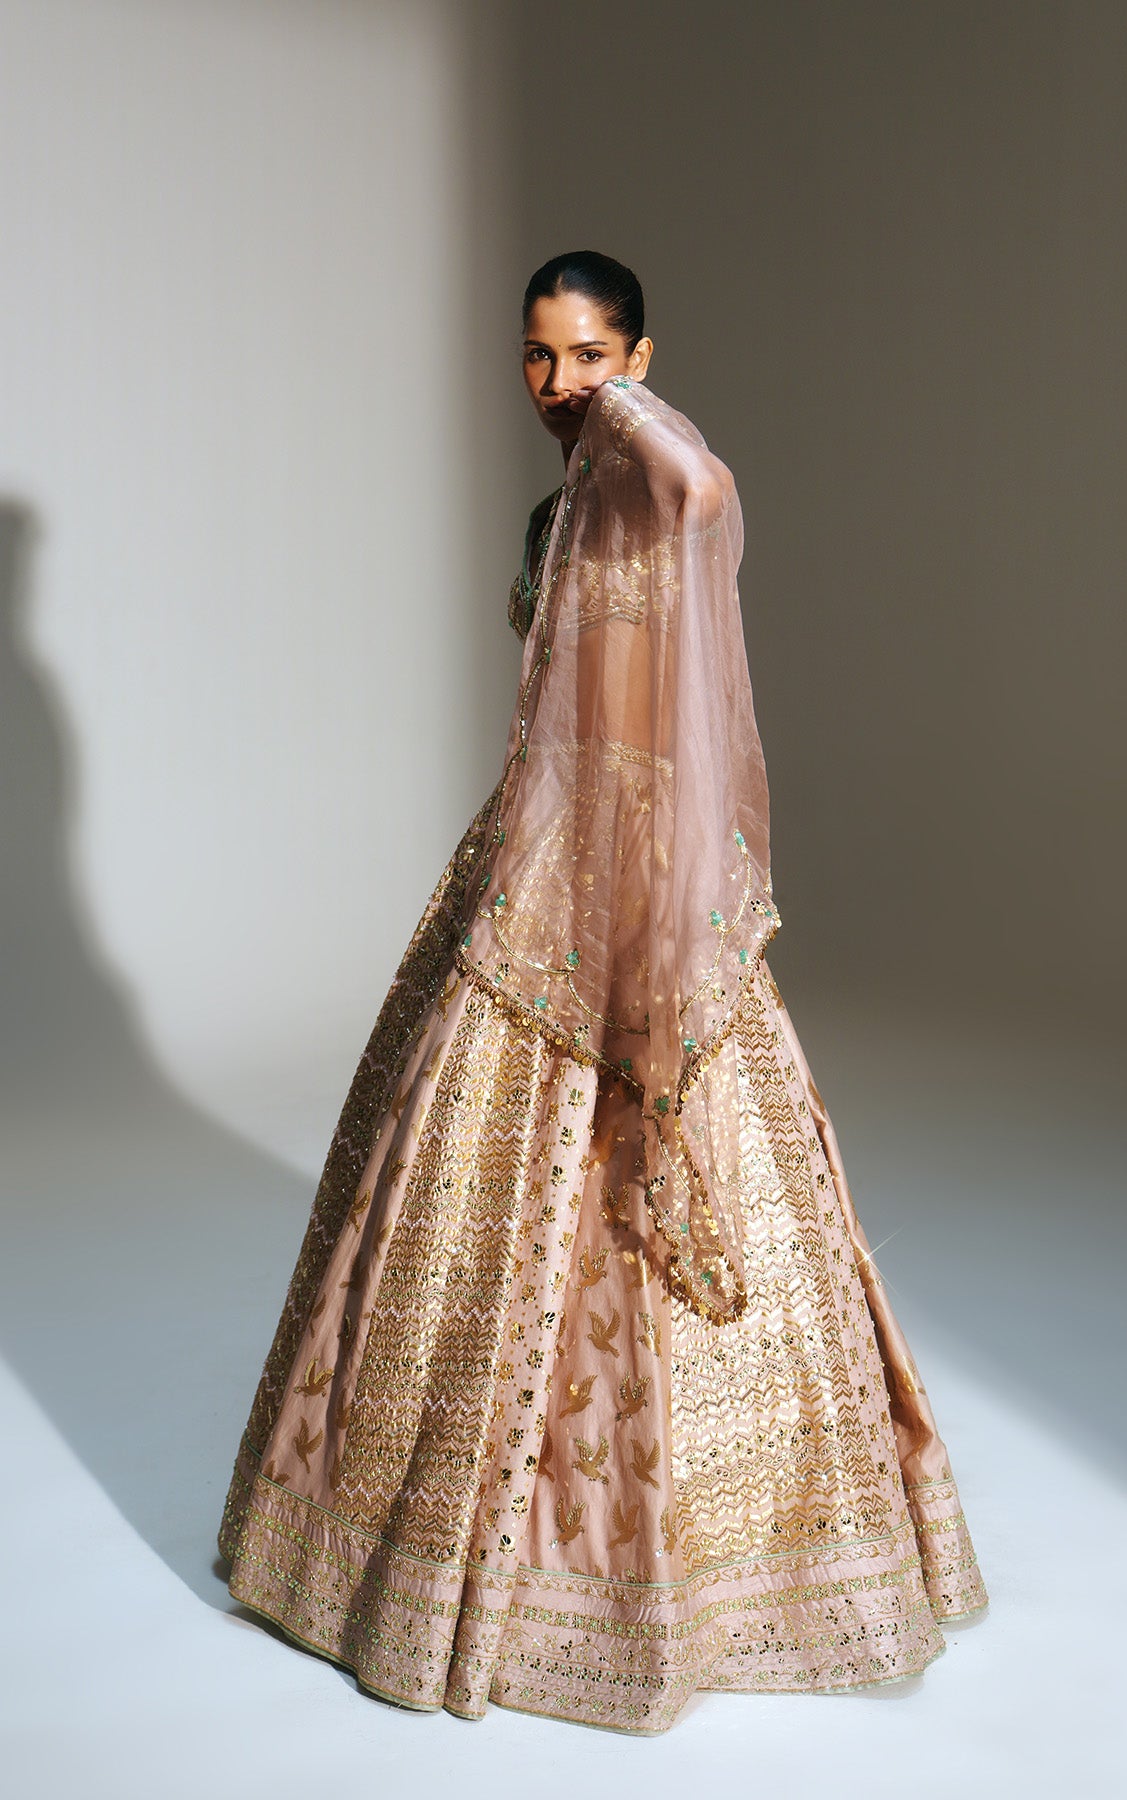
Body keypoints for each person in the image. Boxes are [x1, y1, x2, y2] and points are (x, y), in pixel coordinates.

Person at [217, 250, 988, 1734]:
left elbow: (703, 492)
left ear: (640, 355)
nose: (557, 384)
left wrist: (628, 414)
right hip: (540, 874)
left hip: (650, 883)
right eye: (537, 355)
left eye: (588, 355)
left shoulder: (651, 484)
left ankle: (712, 1572)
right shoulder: (561, 509)